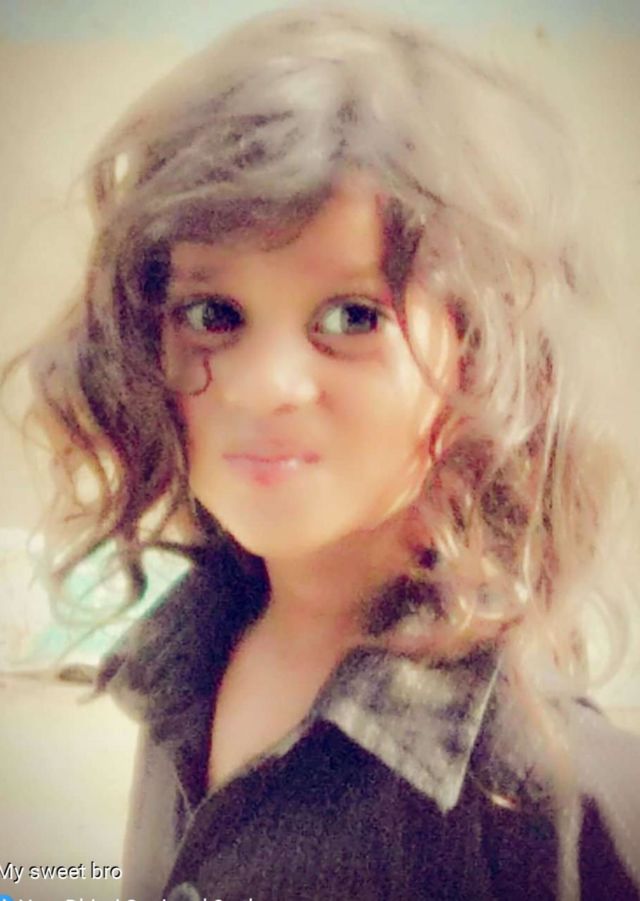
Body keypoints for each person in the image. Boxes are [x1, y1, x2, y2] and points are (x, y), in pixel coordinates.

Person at [13, 4, 640, 900]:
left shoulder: (543, 802)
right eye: (213, 314)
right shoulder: (184, 660)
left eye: (352, 316)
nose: (261, 385)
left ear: (484, 359)